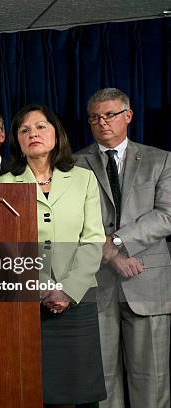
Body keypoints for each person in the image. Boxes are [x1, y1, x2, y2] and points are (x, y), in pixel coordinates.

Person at [0, 104, 106, 407]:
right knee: (39, 392)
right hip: (29, 304)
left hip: (78, 299)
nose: (33, 133)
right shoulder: (2, 185)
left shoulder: (83, 179)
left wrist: (68, 290)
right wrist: (44, 287)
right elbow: (7, 249)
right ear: (16, 141)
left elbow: (93, 240)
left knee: (82, 391)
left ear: (56, 135)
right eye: (24, 130)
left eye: (41, 126)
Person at [75, 88, 171, 408]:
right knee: (102, 382)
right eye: (94, 117)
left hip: (146, 280)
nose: (102, 122)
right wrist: (111, 256)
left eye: (110, 115)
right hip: (96, 282)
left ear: (127, 116)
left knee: (152, 379)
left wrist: (118, 243)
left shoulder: (161, 159)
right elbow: (73, 220)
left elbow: (166, 215)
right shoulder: (73, 165)